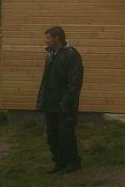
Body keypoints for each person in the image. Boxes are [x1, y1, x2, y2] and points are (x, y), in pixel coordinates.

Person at [36, 26, 84, 173]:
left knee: (66, 135)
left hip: (65, 104)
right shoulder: (50, 54)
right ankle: (59, 162)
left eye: (48, 38)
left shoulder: (71, 54)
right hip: (51, 102)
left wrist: (66, 101)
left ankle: (72, 163)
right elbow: (47, 79)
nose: (46, 40)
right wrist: (42, 99)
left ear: (57, 38)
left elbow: (75, 82)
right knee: (52, 135)